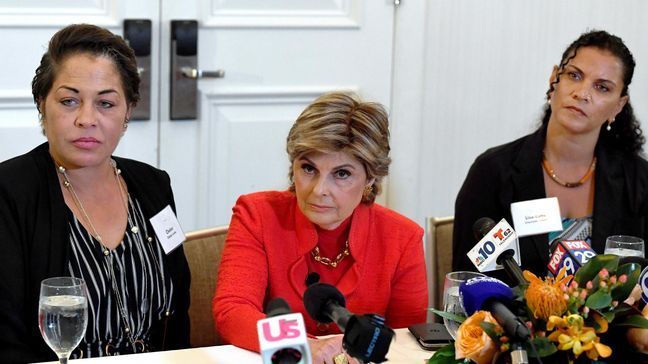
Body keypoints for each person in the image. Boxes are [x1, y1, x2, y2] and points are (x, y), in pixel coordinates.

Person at [452, 30, 648, 359]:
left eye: (602, 87)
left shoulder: (638, 181)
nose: (582, 93)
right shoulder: (493, 173)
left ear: (618, 106)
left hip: (614, 351)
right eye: (574, 75)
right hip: (517, 352)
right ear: (553, 80)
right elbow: (466, 284)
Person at [0, 24, 190, 362]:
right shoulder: (10, 192)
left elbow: (177, 315)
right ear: (42, 103)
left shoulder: (153, 186)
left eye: (105, 103)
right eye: (69, 101)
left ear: (128, 110)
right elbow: (5, 339)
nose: (87, 119)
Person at [213, 91, 427, 363]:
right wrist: (301, 346)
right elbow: (232, 311)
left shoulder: (402, 237)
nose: (319, 190)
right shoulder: (257, 214)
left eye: (342, 174)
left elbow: (404, 341)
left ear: (371, 177)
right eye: (309, 168)